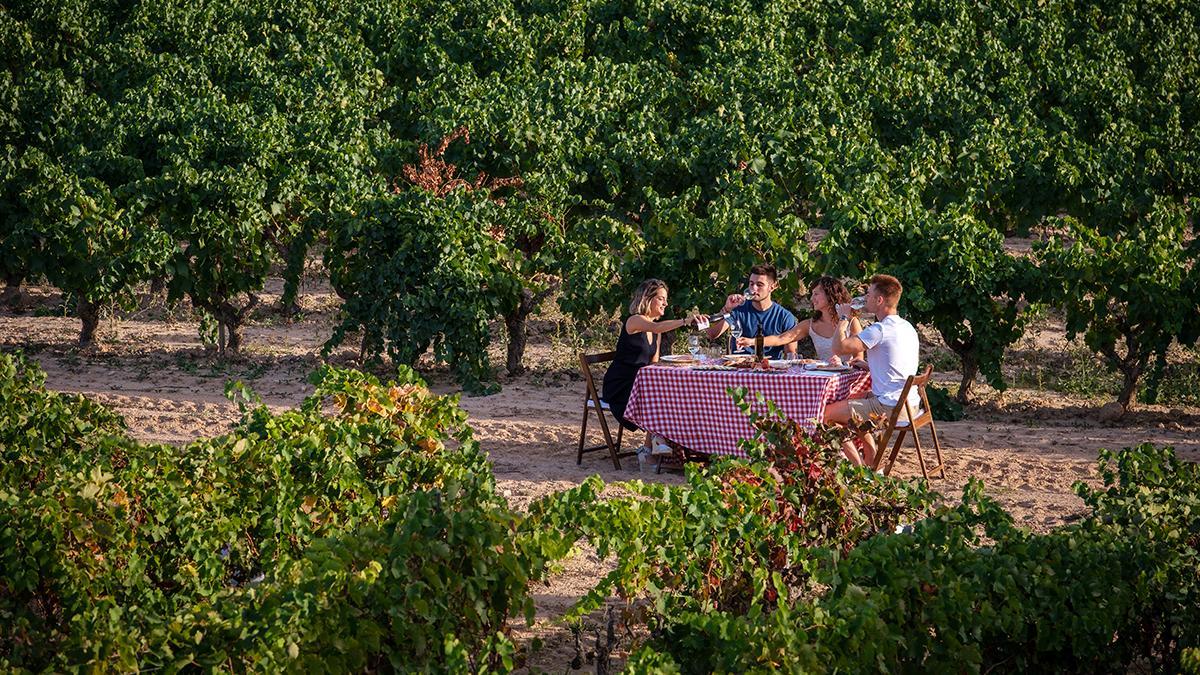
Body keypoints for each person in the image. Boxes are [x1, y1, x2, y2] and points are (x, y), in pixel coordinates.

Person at [822, 274, 920, 467]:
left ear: (879, 300)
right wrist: (869, 366)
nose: (864, 298)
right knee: (854, 402)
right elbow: (897, 364)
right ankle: (871, 462)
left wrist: (843, 317)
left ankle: (859, 469)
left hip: (890, 409)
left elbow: (838, 348)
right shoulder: (906, 326)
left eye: (868, 294)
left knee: (825, 414)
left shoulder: (879, 329)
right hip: (910, 405)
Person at [602, 279, 702, 449]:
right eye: (662, 298)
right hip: (621, 384)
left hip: (640, 383)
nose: (666, 303)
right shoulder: (635, 320)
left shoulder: (656, 331)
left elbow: (653, 363)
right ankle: (654, 445)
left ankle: (659, 444)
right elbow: (656, 328)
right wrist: (685, 321)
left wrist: (676, 364)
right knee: (657, 396)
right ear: (647, 298)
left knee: (673, 393)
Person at [737, 276, 863, 361]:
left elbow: (859, 359)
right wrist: (752, 341)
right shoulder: (810, 324)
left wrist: (842, 365)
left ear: (830, 295)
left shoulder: (851, 322)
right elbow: (782, 338)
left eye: (816, 294)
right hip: (822, 377)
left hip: (846, 380)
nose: (812, 298)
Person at [706, 264, 798, 360]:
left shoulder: (784, 317)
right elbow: (712, 334)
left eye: (759, 285)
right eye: (751, 283)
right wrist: (726, 309)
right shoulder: (739, 309)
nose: (753, 289)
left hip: (769, 370)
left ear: (773, 287)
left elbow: (791, 355)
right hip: (739, 369)